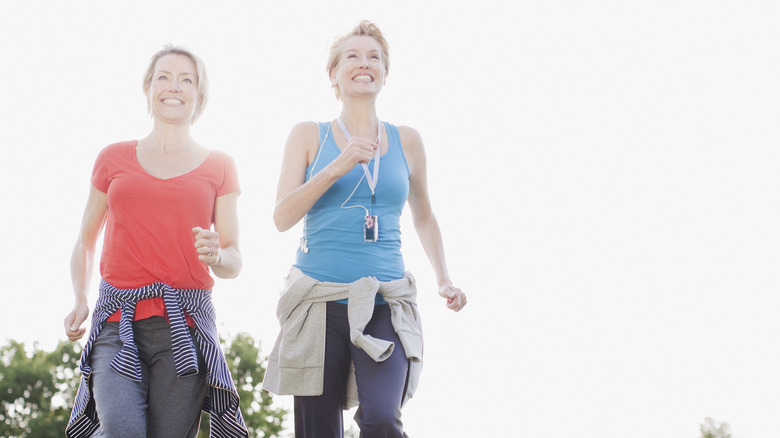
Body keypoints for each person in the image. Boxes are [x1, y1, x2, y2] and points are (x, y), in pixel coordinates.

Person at [263, 20, 467, 438]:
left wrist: (443, 278)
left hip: (384, 301)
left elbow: (424, 215)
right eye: (352, 56)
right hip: (318, 302)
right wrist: (337, 165)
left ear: (385, 73)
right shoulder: (308, 135)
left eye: (374, 57)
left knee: (382, 418)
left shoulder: (406, 140)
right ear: (333, 74)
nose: (364, 64)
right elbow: (282, 216)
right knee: (319, 431)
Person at [63, 45, 247, 438]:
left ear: (200, 94)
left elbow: (234, 259)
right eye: (163, 76)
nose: (174, 87)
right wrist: (81, 296)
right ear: (148, 88)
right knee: (121, 431)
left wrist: (217, 255)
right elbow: (86, 238)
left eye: (187, 79)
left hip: (186, 327)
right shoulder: (112, 158)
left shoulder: (220, 165)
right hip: (117, 322)